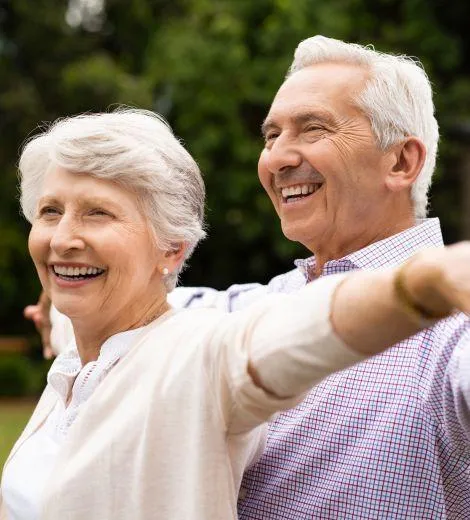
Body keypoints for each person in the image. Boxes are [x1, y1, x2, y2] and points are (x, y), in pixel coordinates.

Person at [24, 37, 470, 518]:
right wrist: (60, 309)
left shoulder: (455, 335)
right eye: (271, 135)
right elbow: (124, 301)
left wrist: (426, 283)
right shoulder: (236, 311)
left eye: (312, 128)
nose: (277, 158)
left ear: (401, 161)